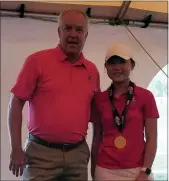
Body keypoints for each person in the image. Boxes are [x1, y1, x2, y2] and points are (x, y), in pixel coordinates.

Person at [7, 9, 100, 181]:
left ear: (86, 35)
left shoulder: (92, 71)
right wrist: (16, 148)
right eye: (68, 28)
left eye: (79, 30)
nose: (73, 34)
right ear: (59, 32)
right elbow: (15, 103)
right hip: (40, 156)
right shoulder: (37, 61)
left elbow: (97, 118)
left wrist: (94, 157)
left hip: (77, 156)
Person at [91, 44, 159, 181]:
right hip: (105, 170)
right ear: (106, 67)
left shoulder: (146, 96)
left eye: (122, 62)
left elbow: (152, 138)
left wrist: (145, 171)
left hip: (137, 170)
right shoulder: (99, 99)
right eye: (112, 63)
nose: (117, 68)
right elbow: (96, 138)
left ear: (132, 65)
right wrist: (93, 170)